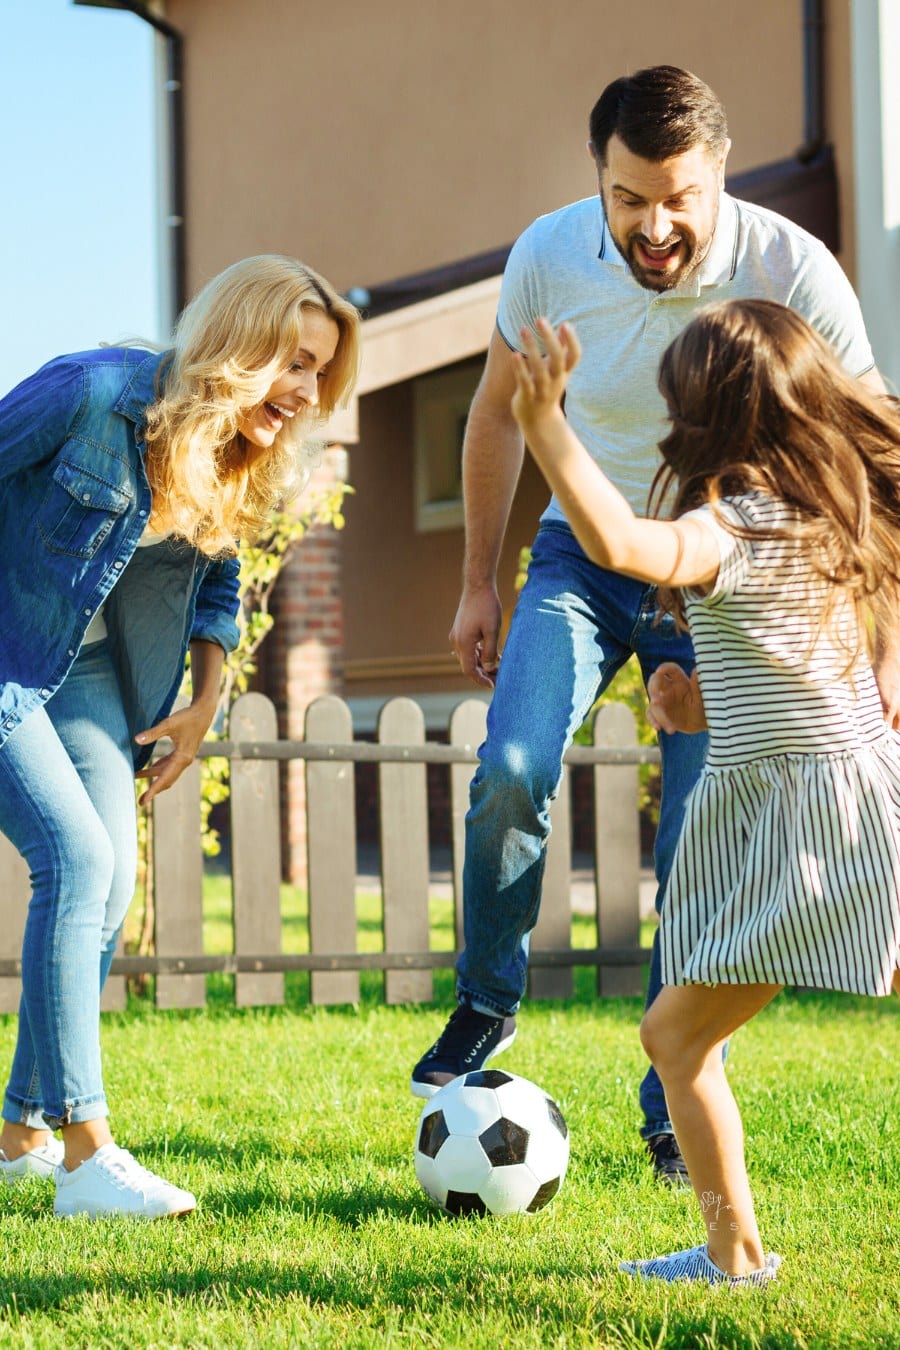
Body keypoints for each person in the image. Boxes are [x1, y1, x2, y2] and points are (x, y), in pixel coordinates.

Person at [409, 65, 888, 1183]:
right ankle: (487, 1005)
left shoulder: (790, 267)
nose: (655, 224)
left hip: (718, 562)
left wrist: (885, 633)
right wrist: (481, 579)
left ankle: (670, 1095)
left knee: (699, 840)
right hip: (586, 553)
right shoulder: (548, 257)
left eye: (678, 195)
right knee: (515, 765)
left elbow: (869, 447)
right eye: (631, 198)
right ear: (601, 182)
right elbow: (494, 418)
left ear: (717, 174)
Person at [510, 301, 900, 1283]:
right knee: (683, 1041)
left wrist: (544, 422)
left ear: (705, 417)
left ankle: (734, 1255)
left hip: (806, 828)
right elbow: (797, 681)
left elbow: (616, 542)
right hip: (857, 807)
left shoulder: (730, 526)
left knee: (673, 1041)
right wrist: (696, 705)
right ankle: (733, 1249)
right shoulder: (829, 519)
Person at [0, 255, 360, 1218]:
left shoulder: (238, 457)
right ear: (234, 345)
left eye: (319, 371)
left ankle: (19, 1137)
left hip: (77, 670)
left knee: (111, 877)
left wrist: (206, 702)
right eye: (291, 361)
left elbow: (214, 585)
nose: (304, 391)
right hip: (4, 650)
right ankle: (86, 1154)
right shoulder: (87, 395)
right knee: (74, 861)